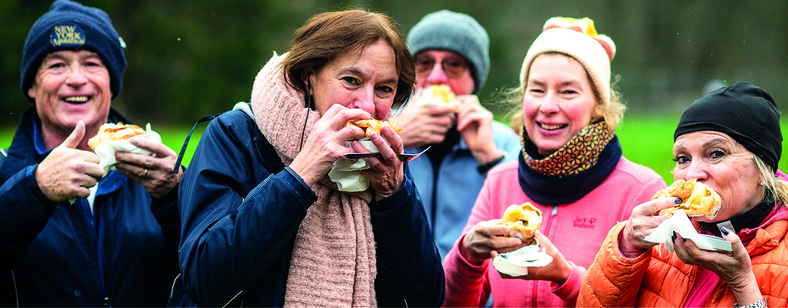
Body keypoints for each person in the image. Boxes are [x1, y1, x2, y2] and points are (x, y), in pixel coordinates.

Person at [0, 1, 187, 306]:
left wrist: (174, 196)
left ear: (111, 84)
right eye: (57, 64)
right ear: (32, 86)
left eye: (91, 63)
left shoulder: (161, 171)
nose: (76, 78)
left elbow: (220, 275)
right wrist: (34, 190)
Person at [175, 10, 445, 307]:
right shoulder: (234, 135)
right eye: (352, 80)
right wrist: (301, 172)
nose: (367, 104)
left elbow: (424, 298)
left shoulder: (384, 158)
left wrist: (394, 194)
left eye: (384, 89)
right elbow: (204, 280)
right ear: (308, 78)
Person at [442, 17, 666, 307]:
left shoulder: (640, 190)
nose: (547, 106)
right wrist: (466, 255)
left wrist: (564, 276)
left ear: (598, 105)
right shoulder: (501, 180)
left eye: (568, 91)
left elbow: (651, 301)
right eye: (537, 90)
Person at [577, 82, 788, 307]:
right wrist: (626, 246)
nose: (692, 175)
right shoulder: (664, 235)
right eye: (682, 158)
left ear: (764, 168)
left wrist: (742, 284)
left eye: (716, 153)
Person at [399, 10, 522, 258]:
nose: (436, 78)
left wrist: (489, 157)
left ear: (474, 80)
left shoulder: (503, 141)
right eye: (424, 63)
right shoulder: (381, 127)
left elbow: (525, 227)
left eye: (453, 65)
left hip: (474, 291)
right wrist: (395, 137)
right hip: (396, 294)